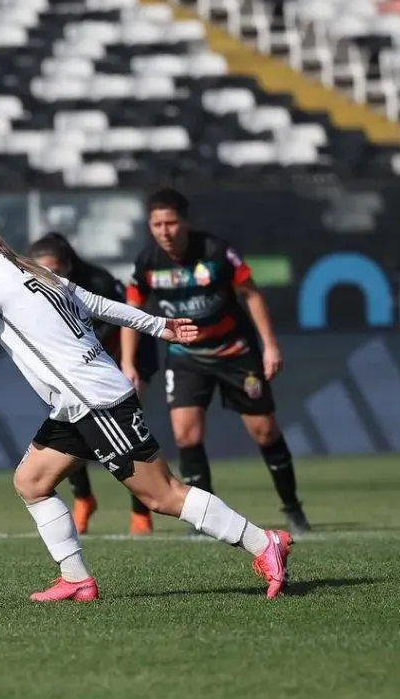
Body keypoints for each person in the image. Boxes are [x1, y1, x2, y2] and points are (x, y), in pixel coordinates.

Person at [0, 199, 293, 603]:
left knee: (163, 495)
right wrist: (158, 325)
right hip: (78, 401)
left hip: (94, 401)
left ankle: (263, 543)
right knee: (32, 482)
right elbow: (96, 304)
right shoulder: (27, 266)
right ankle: (76, 579)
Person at [119, 188, 310, 536]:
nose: (164, 231)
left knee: (264, 431)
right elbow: (131, 312)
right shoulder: (148, 262)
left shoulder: (215, 251)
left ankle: (292, 508)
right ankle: (204, 520)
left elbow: (251, 294)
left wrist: (269, 346)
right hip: (186, 356)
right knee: (185, 434)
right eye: (156, 224)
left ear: (185, 222)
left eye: (171, 222)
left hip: (235, 352)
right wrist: (128, 363)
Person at [28, 232, 159, 536]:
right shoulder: (35, 292)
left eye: (55, 270)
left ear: (69, 266)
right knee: (73, 431)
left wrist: (127, 365)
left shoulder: (98, 282)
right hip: (79, 370)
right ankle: (84, 499)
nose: (48, 277)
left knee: (128, 436)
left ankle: (141, 510)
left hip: (126, 358)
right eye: (40, 271)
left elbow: (121, 318)